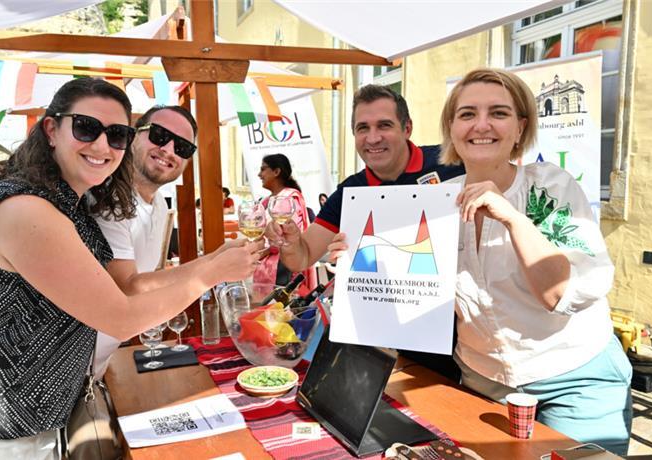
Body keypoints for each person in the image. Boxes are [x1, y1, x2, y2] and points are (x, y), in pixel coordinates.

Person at [0, 78, 261, 460]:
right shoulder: (27, 209)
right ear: (51, 129)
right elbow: (120, 317)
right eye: (86, 127)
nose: (102, 145)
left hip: (24, 415)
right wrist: (211, 274)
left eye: (117, 135)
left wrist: (213, 261)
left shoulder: (66, 202)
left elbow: (124, 284)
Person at [328, 69, 631, 454]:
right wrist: (356, 263)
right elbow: (400, 297)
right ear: (451, 128)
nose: (481, 125)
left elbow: (559, 294)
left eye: (498, 113)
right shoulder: (434, 202)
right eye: (467, 114)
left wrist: (513, 218)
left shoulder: (550, 187)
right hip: (481, 384)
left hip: (573, 381)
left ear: (520, 127)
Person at [271, 84, 465, 378]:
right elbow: (303, 256)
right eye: (363, 128)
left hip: (456, 337)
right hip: (385, 340)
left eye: (384, 125)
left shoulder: (452, 163)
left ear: (407, 128)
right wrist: (291, 242)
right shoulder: (351, 191)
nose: (372, 138)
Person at [93, 104, 201, 379]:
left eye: (183, 148)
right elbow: (127, 289)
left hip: (101, 362)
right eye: (160, 135)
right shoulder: (109, 197)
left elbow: (148, 277)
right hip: (62, 364)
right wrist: (214, 268)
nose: (169, 150)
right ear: (132, 136)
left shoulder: (162, 205)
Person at [254, 153, 315, 290]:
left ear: (276, 171)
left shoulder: (288, 198)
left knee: (279, 309)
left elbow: (284, 239)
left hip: (283, 270)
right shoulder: (265, 200)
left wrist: (262, 251)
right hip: (265, 268)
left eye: (263, 169)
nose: (259, 174)